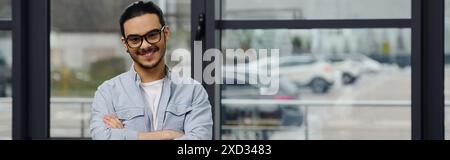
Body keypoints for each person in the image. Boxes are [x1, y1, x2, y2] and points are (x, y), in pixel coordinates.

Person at [90, 1, 213, 140]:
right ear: (125, 44)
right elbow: (102, 137)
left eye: (152, 35)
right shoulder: (108, 93)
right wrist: (168, 135)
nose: (145, 45)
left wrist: (125, 134)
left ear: (166, 33)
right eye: (135, 39)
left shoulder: (193, 91)